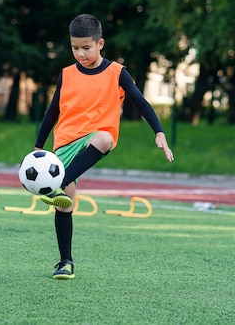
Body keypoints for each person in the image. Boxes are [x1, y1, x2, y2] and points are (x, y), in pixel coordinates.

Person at [34, 14, 174, 279]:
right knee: (65, 205)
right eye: (75, 48)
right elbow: (52, 112)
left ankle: (59, 182)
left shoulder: (116, 73)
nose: (80, 53)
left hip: (95, 136)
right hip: (65, 141)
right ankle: (65, 262)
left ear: (100, 43)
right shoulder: (66, 74)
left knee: (105, 139)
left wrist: (159, 131)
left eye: (86, 48)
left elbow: (141, 102)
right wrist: (37, 148)